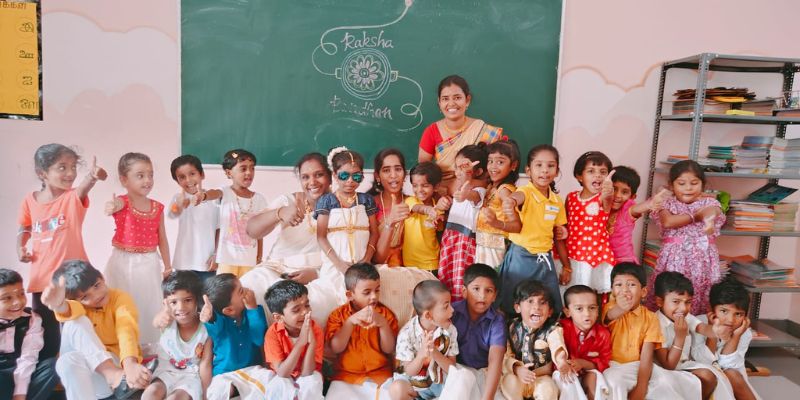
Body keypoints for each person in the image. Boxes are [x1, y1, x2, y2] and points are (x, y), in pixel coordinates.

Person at [17, 143, 107, 358]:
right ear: (42, 173)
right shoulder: (30, 200)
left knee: (78, 331)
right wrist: (21, 246)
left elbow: (83, 187)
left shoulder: (71, 198)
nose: (70, 173)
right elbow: (25, 227)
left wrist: (92, 176)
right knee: (46, 337)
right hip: (42, 281)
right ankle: (49, 374)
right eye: (62, 167)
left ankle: (87, 370)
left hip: (74, 281)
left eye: (73, 167)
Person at [240, 152, 336, 325]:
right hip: (278, 270)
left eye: (319, 175)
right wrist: (279, 213)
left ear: (330, 177)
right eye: (305, 177)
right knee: (247, 288)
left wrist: (317, 273)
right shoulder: (290, 201)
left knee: (317, 303)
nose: (312, 182)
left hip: (318, 274)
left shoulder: (341, 206)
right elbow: (252, 230)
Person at [43, 260, 156, 400]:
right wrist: (60, 306)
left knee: (66, 357)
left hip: (116, 374)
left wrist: (130, 364)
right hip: (87, 378)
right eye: (85, 297)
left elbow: (126, 330)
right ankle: (111, 374)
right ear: (75, 301)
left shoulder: (119, 298)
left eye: (97, 286)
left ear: (102, 277)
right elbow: (70, 310)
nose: (96, 295)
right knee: (66, 358)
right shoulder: (77, 308)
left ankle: (112, 373)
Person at [104, 152, 171, 344]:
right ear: (124, 180)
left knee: (147, 304)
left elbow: (162, 239)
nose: (147, 180)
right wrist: (111, 206)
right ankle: (123, 344)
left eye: (150, 175)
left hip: (148, 263)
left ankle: (147, 345)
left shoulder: (157, 208)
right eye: (140, 175)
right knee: (124, 303)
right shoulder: (122, 202)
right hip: (122, 262)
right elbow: (113, 205)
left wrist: (168, 266)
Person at [496, 144, 569, 317]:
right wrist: (511, 201)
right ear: (528, 170)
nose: (545, 170)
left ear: (557, 171)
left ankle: (545, 333)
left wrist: (567, 266)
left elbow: (558, 236)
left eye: (550, 166)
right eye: (539, 165)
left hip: (544, 260)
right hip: (521, 257)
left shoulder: (557, 201)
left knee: (549, 306)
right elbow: (518, 196)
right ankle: (512, 332)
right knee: (515, 303)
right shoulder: (526, 192)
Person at [602, 262, 692, 400]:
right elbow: (609, 316)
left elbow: (646, 356)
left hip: (639, 367)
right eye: (618, 285)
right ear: (612, 291)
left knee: (665, 382)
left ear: (643, 292)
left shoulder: (650, 318)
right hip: (613, 365)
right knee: (613, 378)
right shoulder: (609, 308)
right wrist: (621, 308)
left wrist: (641, 386)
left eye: (631, 285)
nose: (625, 290)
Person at [646, 160, 725, 314]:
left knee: (702, 291)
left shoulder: (709, 202)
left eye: (694, 183)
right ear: (671, 185)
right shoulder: (667, 204)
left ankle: (698, 325)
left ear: (702, 184)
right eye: (681, 183)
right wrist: (696, 216)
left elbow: (714, 210)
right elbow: (668, 222)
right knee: (675, 293)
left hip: (703, 259)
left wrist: (708, 217)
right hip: (676, 258)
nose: (688, 188)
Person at [418, 75, 504, 195]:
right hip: (442, 196)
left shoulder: (482, 130)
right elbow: (423, 173)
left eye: (457, 98)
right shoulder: (431, 131)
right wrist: (443, 190)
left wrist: (468, 185)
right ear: (439, 102)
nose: (451, 103)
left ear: (467, 100)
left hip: (477, 194)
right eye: (445, 99)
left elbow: (492, 172)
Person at [325, 263, 399, 399]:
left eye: (377, 290)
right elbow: (335, 348)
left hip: (380, 375)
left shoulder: (386, 315)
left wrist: (383, 324)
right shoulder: (338, 316)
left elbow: (389, 349)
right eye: (367, 292)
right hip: (346, 377)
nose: (374, 296)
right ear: (350, 295)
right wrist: (349, 322)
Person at [315, 147, 379, 305]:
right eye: (344, 176)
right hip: (334, 267)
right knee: (334, 303)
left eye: (356, 176)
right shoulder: (327, 201)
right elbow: (321, 237)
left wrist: (366, 260)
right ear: (335, 175)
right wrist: (342, 267)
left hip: (362, 267)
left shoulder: (366, 200)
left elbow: (374, 233)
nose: (350, 181)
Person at [652, 271, 730, 400]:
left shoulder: (685, 317)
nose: (683, 308)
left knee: (715, 376)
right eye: (676, 301)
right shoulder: (655, 324)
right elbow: (668, 365)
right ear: (660, 301)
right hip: (664, 372)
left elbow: (701, 328)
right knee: (707, 376)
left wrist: (716, 330)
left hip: (684, 366)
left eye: (688, 302)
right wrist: (680, 337)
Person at [143, 271, 212, 400]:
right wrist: (163, 314)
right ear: (166, 303)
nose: (181, 307)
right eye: (174, 302)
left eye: (188, 300)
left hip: (191, 377)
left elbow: (205, 365)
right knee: (150, 394)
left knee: (175, 398)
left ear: (197, 300)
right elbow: (156, 322)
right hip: (165, 373)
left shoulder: (205, 330)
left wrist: (206, 396)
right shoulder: (166, 320)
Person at [200, 273, 271, 399]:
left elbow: (259, 339)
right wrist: (210, 317)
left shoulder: (253, 312)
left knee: (270, 382)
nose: (247, 291)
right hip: (225, 374)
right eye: (241, 291)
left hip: (252, 371)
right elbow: (214, 326)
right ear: (229, 310)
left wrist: (253, 309)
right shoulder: (219, 321)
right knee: (218, 390)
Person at [500, 280, 571, 400]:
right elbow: (506, 355)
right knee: (509, 381)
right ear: (517, 307)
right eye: (530, 301)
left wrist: (561, 361)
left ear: (550, 312)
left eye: (542, 303)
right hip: (518, 375)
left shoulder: (552, 330)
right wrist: (517, 369)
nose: (537, 307)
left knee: (548, 389)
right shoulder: (510, 327)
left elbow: (557, 346)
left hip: (541, 378)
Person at [693, 278, 762, 400]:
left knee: (731, 373)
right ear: (711, 309)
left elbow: (729, 366)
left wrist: (736, 336)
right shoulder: (698, 325)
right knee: (715, 375)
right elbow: (704, 362)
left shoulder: (744, 332)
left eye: (738, 314)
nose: (730, 320)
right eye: (724, 311)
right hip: (705, 381)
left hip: (734, 382)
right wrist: (712, 333)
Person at [389, 280, 458, 400]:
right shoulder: (406, 334)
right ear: (428, 315)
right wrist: (421, 356)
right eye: (446, 307)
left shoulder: (450, 330)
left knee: (464, 381)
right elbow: (409, 371)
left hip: (440, 383)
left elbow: (452, 369)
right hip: (413, 383)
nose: (452, 310)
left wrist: (434, 353)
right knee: (396, 389)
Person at [438, 143, 489, 300]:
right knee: (446, 280)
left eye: (464, 168)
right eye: (457, 167)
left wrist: (466, 194)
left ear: (478, 172)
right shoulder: (458, 188)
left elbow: (473, 196)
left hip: (464, 242)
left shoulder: (479, 191)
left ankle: (461, 310)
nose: (457, 172)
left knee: (460, 283)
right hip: (450, 239)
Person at [0, 268, 58, 400]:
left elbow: (29, 356)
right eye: (7, 298)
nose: (17, 302)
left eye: (21, 294)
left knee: (54, 365)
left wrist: (20, 393)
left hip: (23, 370)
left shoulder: (32, 319)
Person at [564, 151, 616, 294]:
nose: (598, 175)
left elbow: (607, 197)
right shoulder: (571, 197)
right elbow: (565, 223)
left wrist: (608, 191)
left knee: (591, 293)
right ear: (579, 176)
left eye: (603, 172)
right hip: (572, 253)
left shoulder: (603, 198)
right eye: (591, 171)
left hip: (595, 256)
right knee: (570, 293)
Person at [263, 280, 324, 400]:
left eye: (307, 305)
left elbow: (308, 373)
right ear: (278, 317)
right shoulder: (273, 334)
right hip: (284, 374)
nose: (305, 312)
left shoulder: (315, 329)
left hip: (307, 373)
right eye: (296, 310)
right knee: (278, 384)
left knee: (312, 381)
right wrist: (301, 343)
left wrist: (311, 344)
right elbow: (282, 373)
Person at [452, 264, 505, 400]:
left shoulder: (497, 320)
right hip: (456, 371)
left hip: (484, 372)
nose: (482, 296)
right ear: (464, 291)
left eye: (489, 291)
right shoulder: (452, 313)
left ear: (495, 296)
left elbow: (495, 360)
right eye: (476, 289)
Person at [167, 155, 223, 283]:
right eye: (182, 177)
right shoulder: (178, 198)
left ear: (202, 174)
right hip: (183, 262)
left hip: (207, 263)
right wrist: (179, 205)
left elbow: (219, 229)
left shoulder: (214, 199)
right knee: (183, 294)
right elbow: (173, 214)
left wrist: (216, 255)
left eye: (192, 174)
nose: (188, 180)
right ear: (177, 181)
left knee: (206, 295)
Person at [215, 149, 268, 278]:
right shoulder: (225, 192)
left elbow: (260, 231)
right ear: (229, 173)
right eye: (243, 169)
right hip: (227, 259)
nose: (249, 173)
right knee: (225, 289)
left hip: (249, 260)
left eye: (252, 168)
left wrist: (259, 255)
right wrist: (204, 195)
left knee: (246, 288)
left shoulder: (259, 199)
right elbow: (213, 193)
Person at [559, 285, 611, 400]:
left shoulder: (603, 334)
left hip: (587, 374)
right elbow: (555, 358)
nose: (587, 314)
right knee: (566, 376)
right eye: (579, 309)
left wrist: (583, 363)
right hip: (566, 374)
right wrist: (568, 364)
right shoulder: (561, 329)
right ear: (567, 312)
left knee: (595, 377)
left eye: (592, 308)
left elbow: (604, 362)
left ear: (598, 310)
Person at [607, 166, 668, 264]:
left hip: (624, 263)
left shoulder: (626, 211)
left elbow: (637, 209)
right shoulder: (601, 207)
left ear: (632, 197)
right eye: (614, 189)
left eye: (624, 192)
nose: (617, 195)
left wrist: (649, 204)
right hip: (604, 261)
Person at [476, 140, 519, 269]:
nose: (493, 167)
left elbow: (517, 225)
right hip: (483, 243)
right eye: (490, 161)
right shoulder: (491, 186)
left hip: (495, 247)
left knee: (491, 278)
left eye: (500, 162)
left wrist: (496, 223)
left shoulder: (505, 191)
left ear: (513, 165)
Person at [402, 162, 448, 274]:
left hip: (432, 261)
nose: (419, 190)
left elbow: (439, 229)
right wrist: (429, 210)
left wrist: (441, 219)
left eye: (425, 185)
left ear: (436, 187)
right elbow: (418, 208)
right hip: (411, 262)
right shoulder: (410, 201)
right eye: (415, 185)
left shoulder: (437, 206)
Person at [370, 148, 408, 267]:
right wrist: (389, 223)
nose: (393, 175)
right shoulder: (369, 205)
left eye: (398, 169)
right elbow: (376, 259)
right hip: (379, 270)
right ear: (377, 176)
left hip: (412, 269)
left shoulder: (413, 203)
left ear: (405, 174)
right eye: (386, 170)